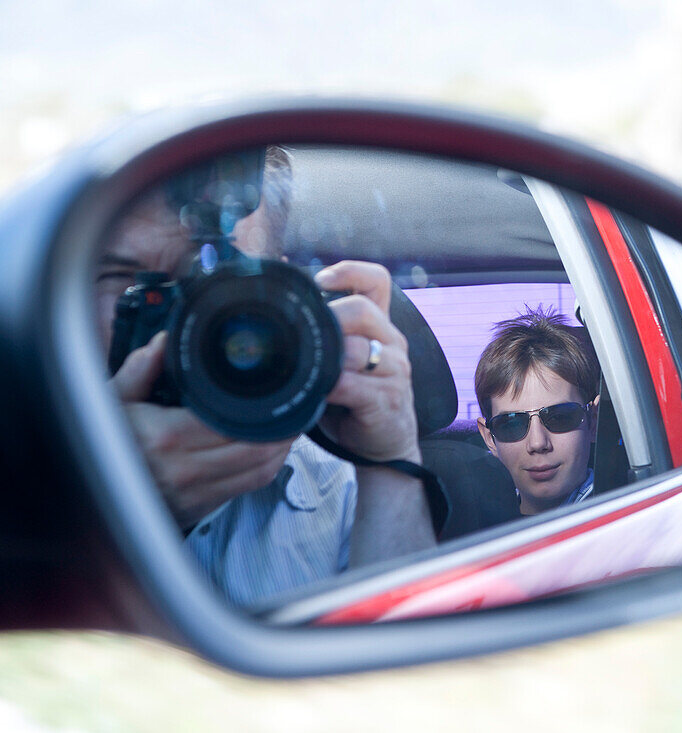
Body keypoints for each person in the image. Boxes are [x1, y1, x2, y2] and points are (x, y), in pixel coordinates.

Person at [95, 148, 436, 607]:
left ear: (279, 286)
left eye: (225, 282)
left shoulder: (339, 480)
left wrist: (391, 460)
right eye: (132, 281)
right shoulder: (23, 462)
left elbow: (404, 653)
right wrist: (96, 501)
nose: (186, 316)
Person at [475, 308, 600, 516]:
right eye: (511, 424)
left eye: (560, 417)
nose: (537, 443)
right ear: (489, 438)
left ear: (593, 421)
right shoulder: (480, 525)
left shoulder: (627, 513)